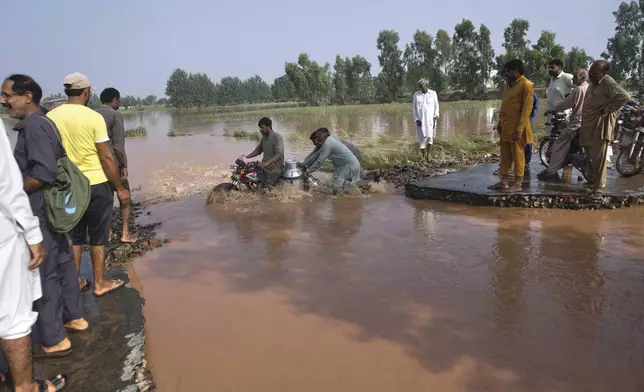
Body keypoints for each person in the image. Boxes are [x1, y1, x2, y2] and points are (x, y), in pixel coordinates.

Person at [1, 75, 88, 359]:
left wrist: (13, 189)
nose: (3, 101)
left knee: (45, 272)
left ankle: (54, 337)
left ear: (27, 97)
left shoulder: (35, 127)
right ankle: (74, 317)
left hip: (40, 208)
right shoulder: (44, 121)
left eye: (7, 95)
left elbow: (42, 173)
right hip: (53, 208)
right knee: (63, 262)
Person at [0, 119, 69, 391]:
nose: (3, 100)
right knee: (14, 314)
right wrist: (32, 233)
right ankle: (26, 386)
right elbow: (8, 188)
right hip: (6, 232)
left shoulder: (34, 126)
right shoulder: (39, 125)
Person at [47, 72, 130, 297]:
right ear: (86, 92)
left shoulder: (52, 117)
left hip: (68, 185)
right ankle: (100, 283)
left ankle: (75, 283)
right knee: (97, 237)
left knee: (74, 237)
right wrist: (120, 188)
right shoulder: (93, 117)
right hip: (96, 183)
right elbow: (107, 157)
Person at [580, 60, 630, 190]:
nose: (591, 76)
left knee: (599, 157)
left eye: (595, 74)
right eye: (590, 73)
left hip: (600, 124)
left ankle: (599, 185)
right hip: (589, 124)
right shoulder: (593, 83)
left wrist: (607, 109)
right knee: (590, 154)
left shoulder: (608, 82)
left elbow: (624, 96)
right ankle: (592, 181)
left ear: (603, 73)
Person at [95, 88, 135, 243]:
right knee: (124, 195)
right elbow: (118, 144)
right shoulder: (115, 115)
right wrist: (123, 165)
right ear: (114, 100)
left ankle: (108, 232)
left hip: (96, 164)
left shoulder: (92, 114)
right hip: (113, 163)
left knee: (105, 199)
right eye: (118, 100)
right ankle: (125, 233)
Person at [488, 59, 534, 193]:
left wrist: (519, 129)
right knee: (504, 155)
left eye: (509, 71)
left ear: (517, 71)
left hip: (517, 129)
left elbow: (526, 110)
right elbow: (505, 105)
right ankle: (504, 181)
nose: (506, 73)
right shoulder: (508, 85)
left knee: (518, 155)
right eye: (506, 71)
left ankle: (518, 183)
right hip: (506, 127)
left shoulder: (527, 85)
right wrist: (500, 123)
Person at [537, 68, 590, 181]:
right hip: (587, 122)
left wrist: (553, 109)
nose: (574, 79)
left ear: (583, 77)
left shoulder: (578, 90)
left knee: (558, 145)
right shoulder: (589, 88)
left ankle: (551, 172)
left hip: (576, 123)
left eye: (576, 77)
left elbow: (567, 103)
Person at [302, 128, 361, 195]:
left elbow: (319, 162)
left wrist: (308, 172)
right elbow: (315, 155)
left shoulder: (328, 144)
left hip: (349, 166)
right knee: (346, 188)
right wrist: (303, 164)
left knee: (334, 190)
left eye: (315, 140)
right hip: (350, 165)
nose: (314, 142)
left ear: (320, 137)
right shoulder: (328, 141)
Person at [243, 117, 284, 187]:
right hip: (264, 167)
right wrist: (246, 157)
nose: (260, 130)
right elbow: (258, 150)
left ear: (268, 127)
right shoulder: (264, 138)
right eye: (260, 128)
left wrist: (267, 163)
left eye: (262, 128)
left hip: (274, 170)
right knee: (247, 175)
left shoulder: (277, 137)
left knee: (262, 190)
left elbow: (279, 155)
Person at [545, 59, 574, 136]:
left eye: (553, 67)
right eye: (549, 68)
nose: (550, 70)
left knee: (562, 136)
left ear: (560, 67)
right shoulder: (552, 79)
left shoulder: (566, 77)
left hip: (562, 114)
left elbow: (579, 86)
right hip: (551, 113)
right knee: (550, 136)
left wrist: (570, 96)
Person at [412, 78, 439, 159]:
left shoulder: (433, 93)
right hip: (420, 120)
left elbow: (436, 106)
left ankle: (429, 155)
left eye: (422, 85)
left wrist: (435, 119)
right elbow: (414, 108)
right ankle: (423, 156)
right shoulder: (416, 94)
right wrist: (416, 119)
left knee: (430, 137)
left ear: (426, 85)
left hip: (431, 119)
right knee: (422, 138)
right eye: (419, 86)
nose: (420, 87)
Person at [525, 87, 539, 170]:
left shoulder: (532, 94)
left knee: (528, 141)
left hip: (528, 120)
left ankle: (527, 161)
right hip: (517, 120)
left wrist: (531, 117)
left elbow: (536, 106)